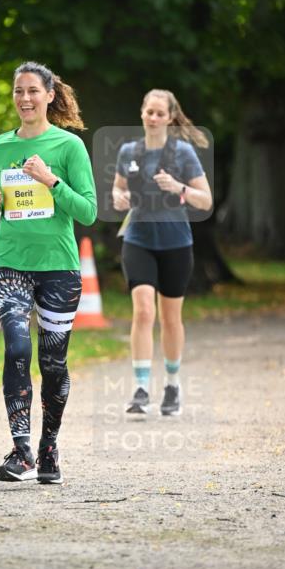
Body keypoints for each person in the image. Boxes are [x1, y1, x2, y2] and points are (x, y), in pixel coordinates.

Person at [0, 60, 96, 485]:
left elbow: (88, 210)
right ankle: (21, 450)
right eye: (18, 91)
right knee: (15, 348)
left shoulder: (68, 147)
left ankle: (49, 448)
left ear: (50, 95)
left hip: (59, 268)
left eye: (32, 91)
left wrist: (51, 181)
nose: (24, 99)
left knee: (53, 362)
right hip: (10, 262)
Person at [112, 89, 212, 417]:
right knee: (143, 312)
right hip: (138, 239)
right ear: (141, 113)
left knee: (170, 317)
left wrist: (179, 187)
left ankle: (171, 384)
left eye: (159, 113)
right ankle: (140, 388)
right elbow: (119, 187)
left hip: (176, 242)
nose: (153, 118)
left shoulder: (182, 153)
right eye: (148, 112)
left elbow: (205, 200)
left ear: (170, 118)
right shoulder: (129, 151)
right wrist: (118, 197)